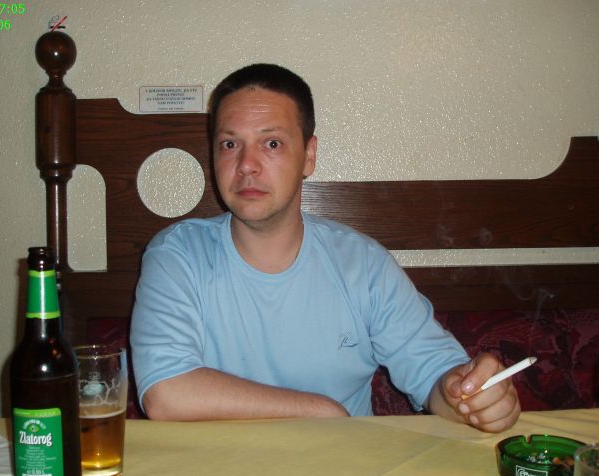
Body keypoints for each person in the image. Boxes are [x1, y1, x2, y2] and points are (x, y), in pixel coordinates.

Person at [130, 63, 520, 432]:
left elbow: (436, 376)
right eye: (229, 143)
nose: (246, 164)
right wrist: (319, 411)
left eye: (271, 143)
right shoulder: (177, 255)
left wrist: (469, 398)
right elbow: (166, 393)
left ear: (309, 155)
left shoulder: (363, 265)